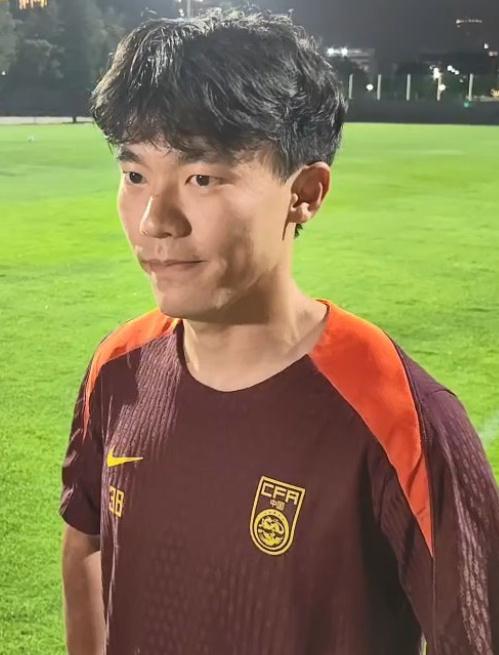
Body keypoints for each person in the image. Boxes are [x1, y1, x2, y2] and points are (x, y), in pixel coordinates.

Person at [59, 9, 499, 655]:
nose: (155, 220)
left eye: (202, 178)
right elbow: (87, 541)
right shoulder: (118, 366)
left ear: (306, 193)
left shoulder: (401, 417)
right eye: (135, 176)